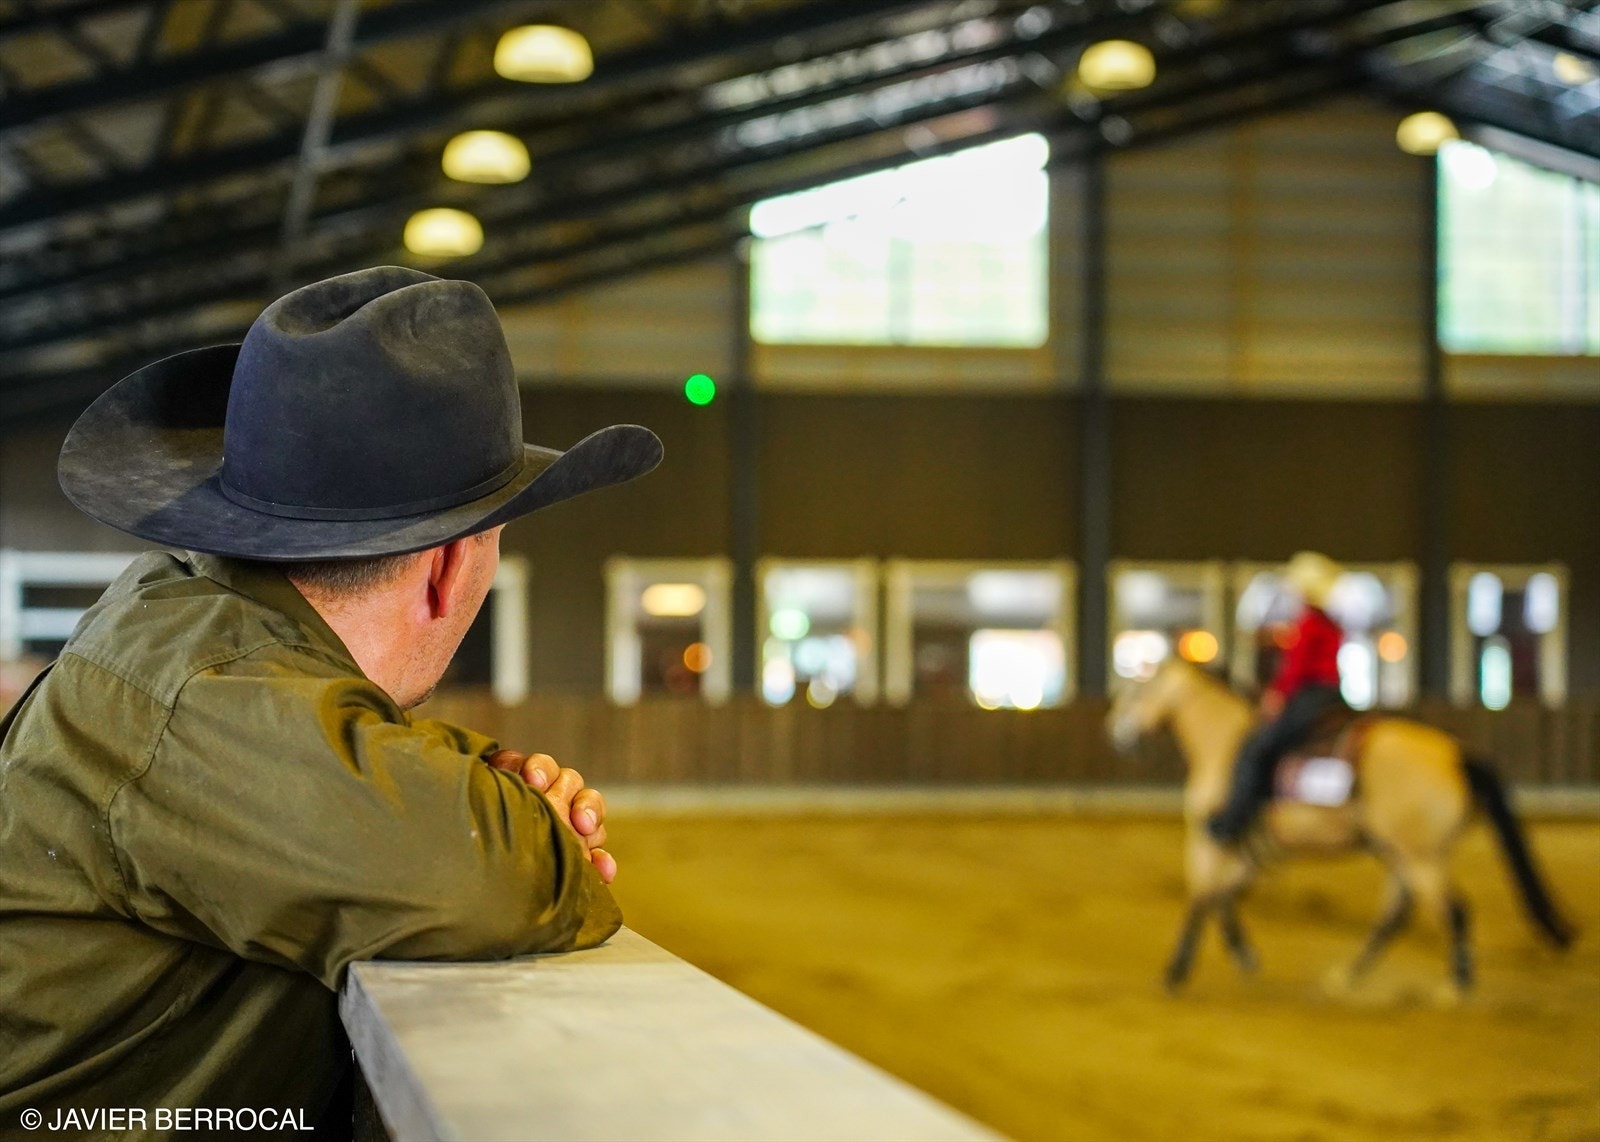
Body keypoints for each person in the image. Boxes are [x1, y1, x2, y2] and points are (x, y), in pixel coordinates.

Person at [0, 267, 663, 1132]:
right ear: (449, 567)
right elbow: (480, 877)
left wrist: (477, 776)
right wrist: (530, 824)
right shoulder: (209, 691)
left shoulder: (194, 637)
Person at [1206, 550, 1350, 845]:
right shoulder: (1328, 620)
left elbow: (1295, 668)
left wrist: (1277, 695)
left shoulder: (1308, 622)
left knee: (1257, 747)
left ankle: (1234, 820)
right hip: (1330, 694)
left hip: (1309, 695)